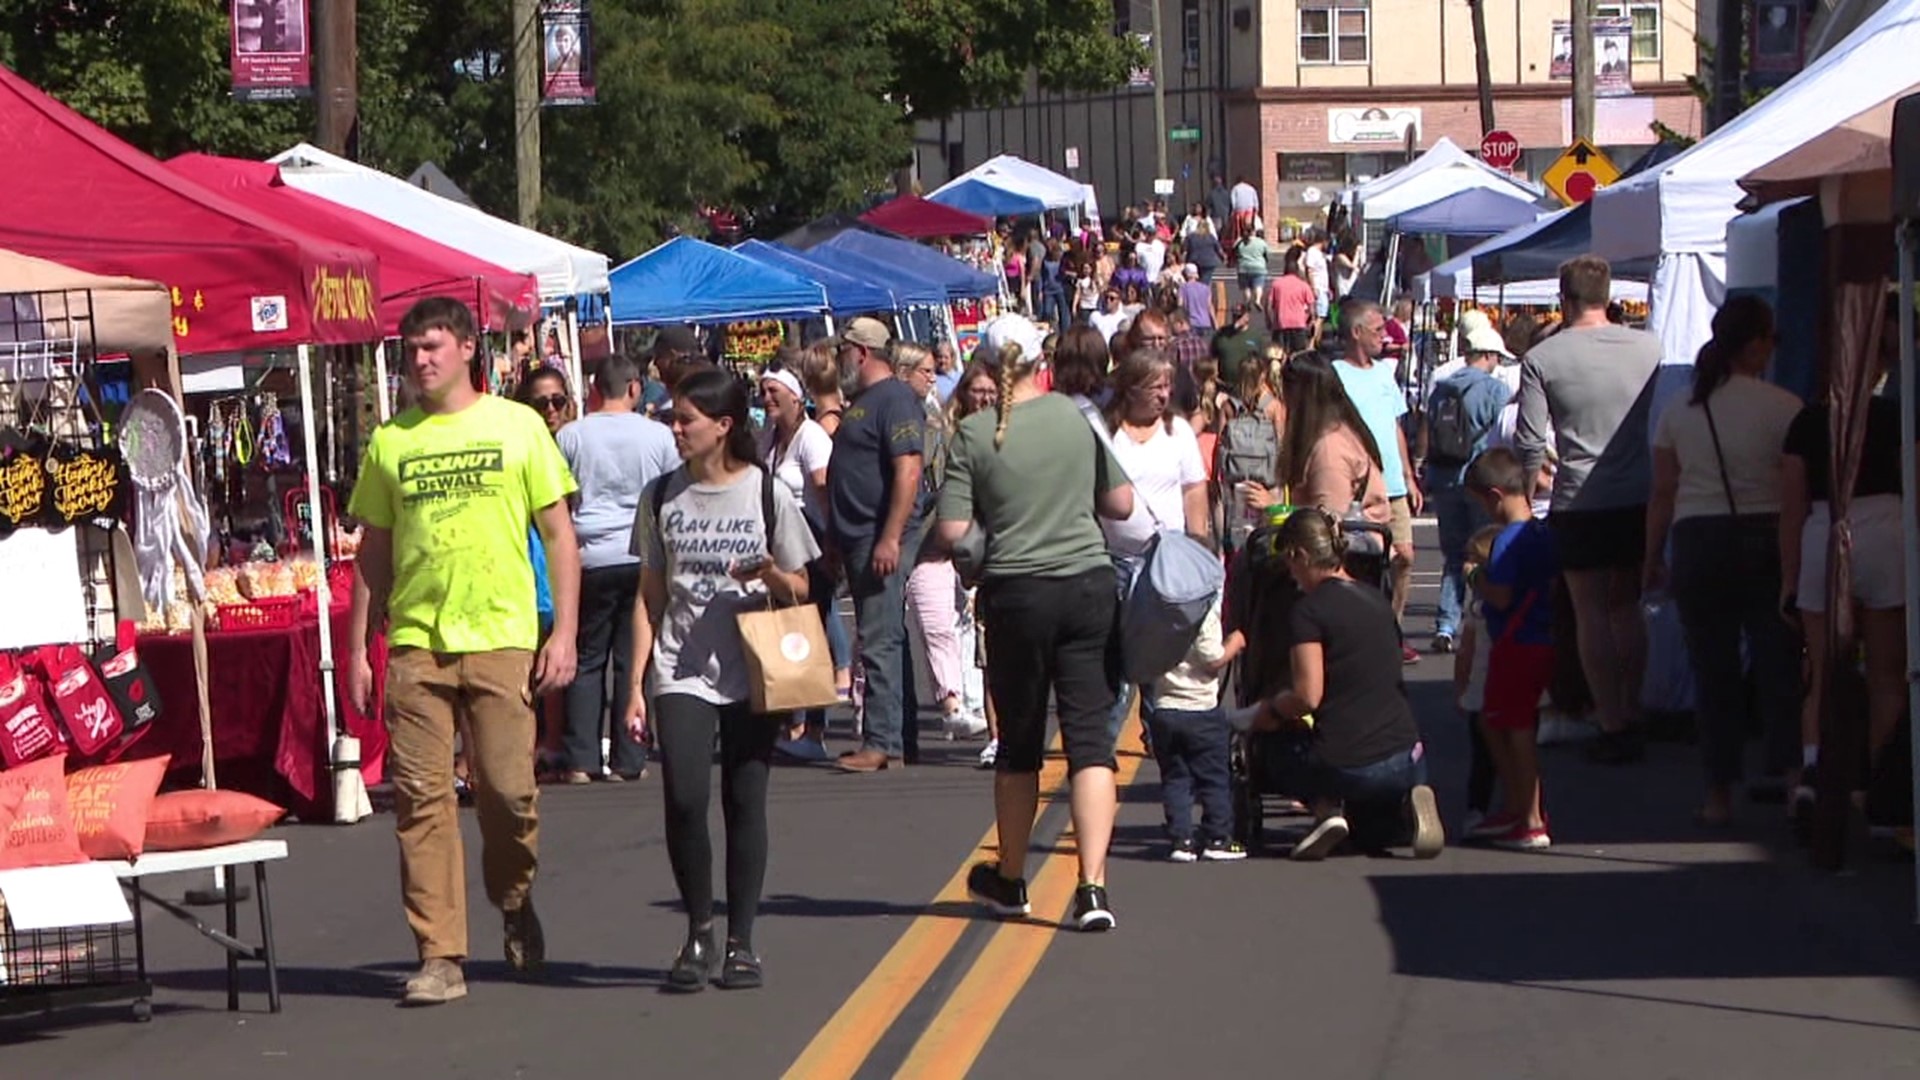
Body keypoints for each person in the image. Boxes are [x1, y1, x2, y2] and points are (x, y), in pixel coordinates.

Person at [346, 297, 580, 1006]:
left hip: (503, 636)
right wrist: (359, 648)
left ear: (469, 349)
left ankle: (514, 899)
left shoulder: (518, 429)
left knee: (508, 795)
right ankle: (440, 954)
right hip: (418, 644)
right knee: (420, 802)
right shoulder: (392, 441)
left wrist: (563, 632)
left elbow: (560, 536)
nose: (420, 360)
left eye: (433, 346)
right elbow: (372, 551)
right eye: (412, 349)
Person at [935, 314, 1135, 930]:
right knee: (1090, 741)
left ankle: (1013, 876)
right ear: (1041, 359)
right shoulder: (1079, 420)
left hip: (1018, 593)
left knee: (1020, 743)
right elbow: (1121, 503)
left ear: (991, 369)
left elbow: (951, 532)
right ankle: (1092, 887)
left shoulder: (972, 434)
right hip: (1086, 583)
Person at [626, 368, 819, 992]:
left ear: (723, 427)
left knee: (744, 800)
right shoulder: (660, 497)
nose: (675, 428)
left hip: (752, 666)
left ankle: (741, 941)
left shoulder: (767, 494)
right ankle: (698, 930)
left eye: (686, 420)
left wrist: (769, 574)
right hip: (680, 668)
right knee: (683, 797)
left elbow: (803, 587)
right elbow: (648, 597)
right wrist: (634, 684)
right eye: (673, 418)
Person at [1515, 255, 1663, 765]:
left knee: (1589, 611)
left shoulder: (1544, 358)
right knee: (1627, 606)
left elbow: (1531, 441)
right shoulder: (1648, 348)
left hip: (1578, 495)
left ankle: (1611, 717)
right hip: (1637, 490)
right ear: (1607, 295)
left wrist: (1530, 476)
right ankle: (1633, 707)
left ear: (1565, 297)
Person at [1241, 508, 1443, 860]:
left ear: (1299, 556)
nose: (1292, 575)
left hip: (1345, 762)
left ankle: (1324, 808)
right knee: (1371, 833)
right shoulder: (1377, 601)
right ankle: (1406, 798)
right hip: (1406, 752)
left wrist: (1270, 709)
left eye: (1290, 566)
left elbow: (1308, 696)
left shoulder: (1308, 611)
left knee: (1275, 746)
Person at [1780, 299, 1914, 820]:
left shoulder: (1808, 421)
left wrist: (1788, 579)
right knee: (1887, 673)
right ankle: (1883, 787)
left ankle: (1814, 771)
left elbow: (1791, 506)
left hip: (1824, 527)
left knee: (1821, 669)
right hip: (1887, 526)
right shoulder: (1898, 416)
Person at [556, 354, 679, 784]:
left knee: (588, 658)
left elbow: (560, 499)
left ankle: (581, 759)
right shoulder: (659, 436)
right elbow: (672, 493)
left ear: (594, 388)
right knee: (633, 659)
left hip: (589, 554)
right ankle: (629, 756)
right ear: (633, 388)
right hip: (641, 554)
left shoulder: (571, 436)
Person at [827, 318, 927, 772]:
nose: (839, 360)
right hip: (857, 537)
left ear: (861, 353)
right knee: (885, 637)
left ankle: (882, 742)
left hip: (878, 537)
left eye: (843, 351)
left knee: (880, 640)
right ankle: (897, 739)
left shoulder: (896, 400)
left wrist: (890, 536)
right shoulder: (864, 402)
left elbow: (908, 469)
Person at [1463, 448, 1557, 850]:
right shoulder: (1542, 533)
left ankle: (1529, 815)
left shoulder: (1507, 543)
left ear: (1496, 495)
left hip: (1516, 642)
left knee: (1513, 725)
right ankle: (1519, 807)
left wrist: (1474, 576)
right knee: (1497, 719)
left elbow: (1499, 596)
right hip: (1539, 636)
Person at [897, 342, 987, 740]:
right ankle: (872, 716)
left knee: (942, 626)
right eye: (926, 371)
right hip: (898, 537)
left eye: (936, 371)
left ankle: (955, 703)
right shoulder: (919, 421)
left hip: (936, 541)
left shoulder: (937, 423)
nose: (934, 377)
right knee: (880, 634)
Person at [757, 363, 839, 761]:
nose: (768, 398)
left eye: (775, 392)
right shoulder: (768, 440)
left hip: (813, 542)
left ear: (796, 396)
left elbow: (823, 491)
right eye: (764, 392)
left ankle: (815, 729)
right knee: (786, 633)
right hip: (780, 546)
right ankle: (792, 723)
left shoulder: (813, 438)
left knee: (815, 632)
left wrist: (831, 550)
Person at [1333, 299, 1421, 658]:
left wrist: (1409, 475)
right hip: (1358, 483)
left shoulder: (1385, 373)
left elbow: (1395, 426)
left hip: (1394, 484)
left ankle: (1392, 626)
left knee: (1405, 556)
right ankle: (1362, 633)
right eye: (1378, 330)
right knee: (1359, 560)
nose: (1385, 337)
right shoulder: (1335, 374)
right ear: (1356, 333)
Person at [1423, 319, 1514, 654]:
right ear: (1487, 355)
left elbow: (1429, 430)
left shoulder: (1442, 388)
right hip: (1479, 479)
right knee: (1484, 550)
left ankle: (1446, 624)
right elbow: (1504, 434)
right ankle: (1481, 616)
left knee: (1453, 554)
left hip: (1445, 477)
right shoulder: (1494, 390)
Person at [1149, 586, 1246, 861]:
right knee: (1213, 777)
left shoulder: (1159, 613)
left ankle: (1182, 839)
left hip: (1165, 709)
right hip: (1201, 710)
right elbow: (1212, 658)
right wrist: (1235, 643)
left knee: (1176, 777)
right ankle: (1217, 837)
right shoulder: (1203, 613)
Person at [1266, 248, 1317, 354]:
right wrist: (1309, 321)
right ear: (1297, 271)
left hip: (1280, 324)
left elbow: (1269, 305)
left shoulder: (1277, 284)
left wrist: (1269, 321)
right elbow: (1311, 308)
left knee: (1278, 353)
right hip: (1298, 323)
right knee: (1298, 353)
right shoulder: (1303, 285)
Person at [1234, 227, 1271, 316]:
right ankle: (1257, 300)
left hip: (1243, 267)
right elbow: (1267, 254)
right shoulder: (1261, 242)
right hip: (1258, 267)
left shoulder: (1240, 242)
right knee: (1258, 286)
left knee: (1246, 288)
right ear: (1253, 232)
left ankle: (1247, 302)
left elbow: (1234, 252)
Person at [1178, 264, 1216, 334]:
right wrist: (1215, 323)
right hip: (1205, 323)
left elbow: (1180, 305)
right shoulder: (1206, 288)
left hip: (1191, 323)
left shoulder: (1183, 288)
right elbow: (1210, 306)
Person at [932, 339, 962, 403]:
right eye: (940, 357)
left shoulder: (961, 377)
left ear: (952, 359)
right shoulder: (933, 380)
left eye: (946, 357)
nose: (943, 361)